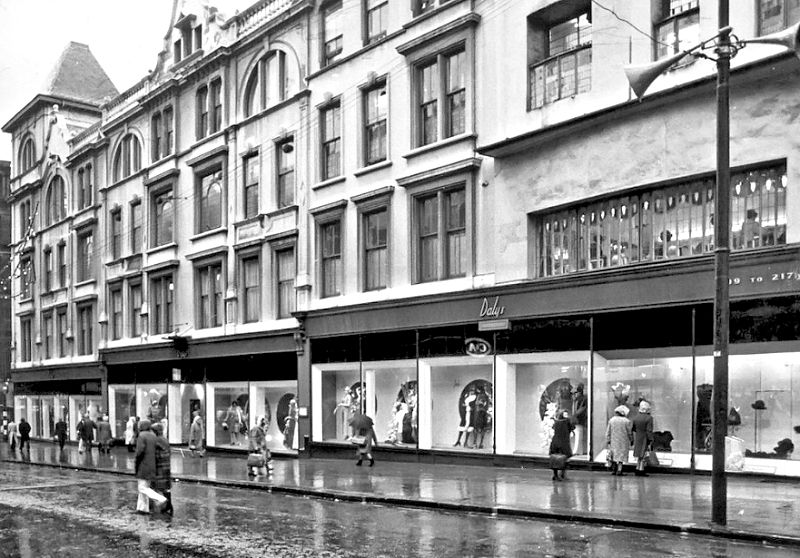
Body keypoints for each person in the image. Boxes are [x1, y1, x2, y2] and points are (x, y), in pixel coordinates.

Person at [134, 419, 167, 514]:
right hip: (152, 465)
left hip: (143, 465)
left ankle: (160, 498)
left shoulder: (141, 436)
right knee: (145, 487)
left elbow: (139, 451)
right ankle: (142, 509)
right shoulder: (153, 436)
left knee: (142, 488)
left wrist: (136, 461)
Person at [151, 423, 173, 515]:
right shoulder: (164, 439)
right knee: (165, 486)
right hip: (166, 465)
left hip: (160, 465)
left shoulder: (156, 440)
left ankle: (166, 504)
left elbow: (154, 454)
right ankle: (168, 504)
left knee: (155, 486)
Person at [606, 405, 633, 476]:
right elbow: (629, 432)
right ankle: (619, 470)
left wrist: (608, 440)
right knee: (621, 455)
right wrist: (631, 439)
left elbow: (608, 431)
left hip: (614, 440)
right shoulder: (627, 421)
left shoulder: (612, 420)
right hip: (623, 441)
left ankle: (614, 469)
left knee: (614, 454)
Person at [549, 409, 573, 481]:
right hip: (564, 442)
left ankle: (555, 475)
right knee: (565, 458)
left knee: (554, 458)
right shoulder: (567, 421)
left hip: (555, 441)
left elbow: (553, 428)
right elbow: (572, 427)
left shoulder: (556, 422)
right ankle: (562, 474)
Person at [632, 400, 654, 476]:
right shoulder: (649, 418)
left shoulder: (636, 418)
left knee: (638, 454)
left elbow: (633, 428)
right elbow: (649, 430)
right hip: (645, 437)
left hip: (638, 436)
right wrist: (651, 439)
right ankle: (641, 469)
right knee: (643, 454)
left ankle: (637, 468)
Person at [571, 383, 588, 455]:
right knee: (579, 436)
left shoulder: (582, 400)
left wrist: (574, 415)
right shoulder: (577, 400)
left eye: (575, 393)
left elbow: (577, 411)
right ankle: (580, 450)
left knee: (579, 436)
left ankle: (577, 450)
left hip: (580, 421)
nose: (573, 395)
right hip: (579, 421)